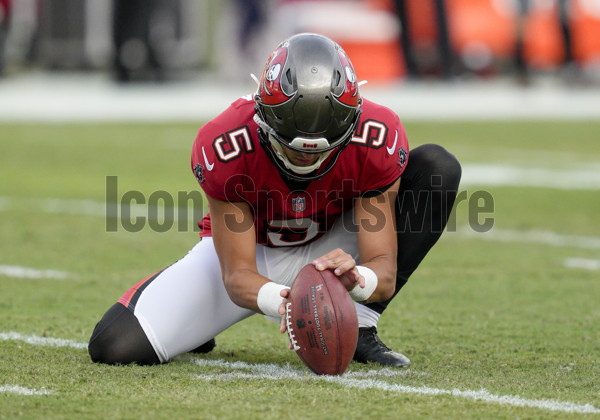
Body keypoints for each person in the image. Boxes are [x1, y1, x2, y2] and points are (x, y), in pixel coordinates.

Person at [88, 33, 461, 368]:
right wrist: (283, 299)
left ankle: (360, 326)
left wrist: (355, 278)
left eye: (322, 148)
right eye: (292, 146)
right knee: (115, 345)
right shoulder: (227, 142)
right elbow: (236, 275)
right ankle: (197, 323)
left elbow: (383, 267)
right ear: (263, 116)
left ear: (351, 122)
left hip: (334, 244)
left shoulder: (375, 136)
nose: (307, 158)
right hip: (254, 251)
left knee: (436, 169)